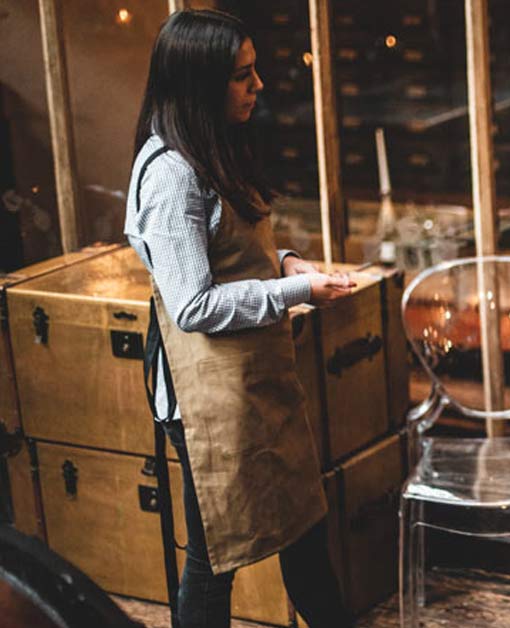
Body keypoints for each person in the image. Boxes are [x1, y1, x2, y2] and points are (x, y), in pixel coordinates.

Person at [124, 9, 354, 628]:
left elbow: (230, 252)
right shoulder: (171, 174)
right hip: (208, 405)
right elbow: (193, 305)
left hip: (255, 384)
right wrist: (297, 289)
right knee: (213, 563)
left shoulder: (214, 144)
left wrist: (285, 261)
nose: (258, 87)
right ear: (200, 83)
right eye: (242, 77)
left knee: (306, 534)